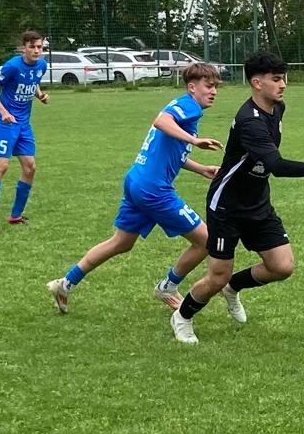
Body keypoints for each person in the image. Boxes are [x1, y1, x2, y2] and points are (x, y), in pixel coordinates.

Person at [160, 52, 304, 343]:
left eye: (283, 78)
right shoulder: (249, 122)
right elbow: (277, 166)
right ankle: (182, 316)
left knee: (282, 266)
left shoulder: (277, 108)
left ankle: (233, 288)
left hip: (257, 202)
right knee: (217, 276)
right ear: (256, 83)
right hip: (227, 206)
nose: (283, 84)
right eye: (276, 79)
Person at [46, 63, 223, 313]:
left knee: (121, 242)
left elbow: (170, 150)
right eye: (209, 86)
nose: (213, 91)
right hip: (153, 190)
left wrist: (201, 168)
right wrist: (194, 140)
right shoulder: (189, 106)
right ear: (192, 87)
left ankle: (64, 284)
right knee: (206, 241)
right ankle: (167, 287)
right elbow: (161, 121)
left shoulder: (183, 106)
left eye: (216, 87)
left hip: (136, 181)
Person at [0, 30, 49, 233]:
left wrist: (40, 95)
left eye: (40, 47)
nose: (37, 51)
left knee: (30, 167)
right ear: (24, 48)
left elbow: (33, 82)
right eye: (32, 47)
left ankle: (15, 215)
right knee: (1, 166)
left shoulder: (42, 65)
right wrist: (3, 112)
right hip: (5, 123)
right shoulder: (12, 66)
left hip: (23, 124)